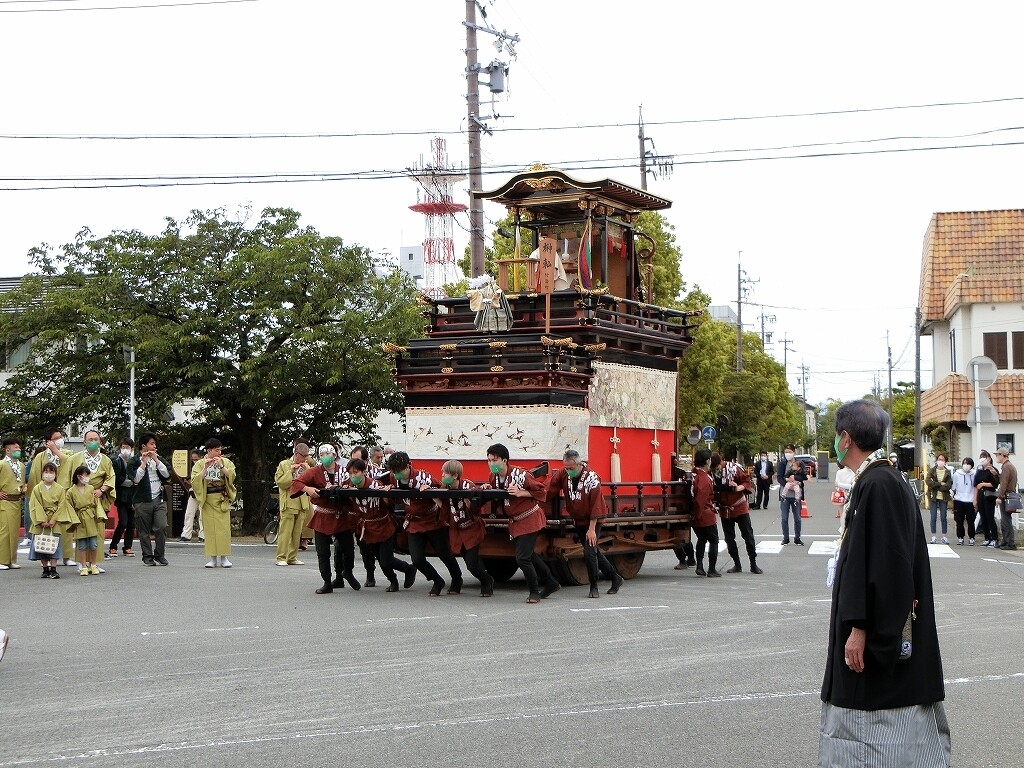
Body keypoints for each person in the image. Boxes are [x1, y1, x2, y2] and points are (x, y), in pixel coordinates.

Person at [819, 399, 949, 767]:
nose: (836, 442)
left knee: (875, 729)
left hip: (876, 637)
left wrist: (860, 627)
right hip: (873, 626)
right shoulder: (878, 479)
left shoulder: (880, 484)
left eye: (837, 436)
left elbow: (888, 566)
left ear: (846, 438)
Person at [485, 442, 560, 603]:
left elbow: (541, 490)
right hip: (515, 521)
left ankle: (534, 591)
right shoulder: (493, 477)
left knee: (522, 558)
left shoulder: (521, 474)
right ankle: (551, 582)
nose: (491, 464)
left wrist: (521, 492)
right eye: (489, 460)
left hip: (530, 517)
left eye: (494, 460)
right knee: (529, 554)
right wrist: (488, 488)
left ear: (505, 460)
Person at [378, 451, 460, 596]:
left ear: (408, 466)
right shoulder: (392, 477)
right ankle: (437, 580)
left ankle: (457, 579)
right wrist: (388, 491)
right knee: (417, 559)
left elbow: (442, 489)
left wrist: (431, 490)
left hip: (432, 520)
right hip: (413, 522)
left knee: (444, 554)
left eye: (399, 471)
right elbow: (393, 498)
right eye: (394, 471)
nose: (396, 474)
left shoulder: (423, 476)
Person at [547, 449, 624, 597]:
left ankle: (594, 586)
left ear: (578, 464)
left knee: (589, 553)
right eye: (566, 468)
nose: (568, 471)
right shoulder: (564, 473)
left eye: (570, 468)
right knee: (593, 552)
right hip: (578, 520)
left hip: (592, 521)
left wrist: (592, 529)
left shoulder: (591, 477)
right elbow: (551, 487)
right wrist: (534, 494)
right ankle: (615, 578)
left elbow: (596, 503)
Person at [294, 447, 362, 594]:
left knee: (348, 549)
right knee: (323, 552)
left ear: (334, 455)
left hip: (341, 515)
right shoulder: (314, 471)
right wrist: (308, 489)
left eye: (328, 453)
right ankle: (326, 582)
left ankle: (348, 572)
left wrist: (346, 487)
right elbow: (297, 483)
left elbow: (355, 483)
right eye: (322, 454)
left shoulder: (344, 470)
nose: (325, 456)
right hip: (322, 515)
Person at [436, 459, 494, 597]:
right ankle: (460, 580)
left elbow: (476, 509)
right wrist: (436, 499)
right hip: (456, 529)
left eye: (445, 473)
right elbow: (445, 511)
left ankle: (487, 581)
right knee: (465, 557)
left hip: (472, 529)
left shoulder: (468, 486)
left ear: (455, 475)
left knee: (471, 564)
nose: (442, 475)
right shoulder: (444, 488)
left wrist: (470, 501)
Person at [67, 430, 116, 571]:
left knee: (97, 532)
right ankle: (81, 563)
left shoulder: (105, 460)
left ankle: (94, 563)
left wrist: (102, 490)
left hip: (97, 498)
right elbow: (68, 479)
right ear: (84, 442)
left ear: (100, 442)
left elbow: (111, 477)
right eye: (90, 439)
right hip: (80, 498)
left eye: (96, 439)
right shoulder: (75, 459)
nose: (93, 442)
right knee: (81, 532)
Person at [28, 429, 76, 566]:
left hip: (62, 494)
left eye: (60, 437)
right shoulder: (40, 457)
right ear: (48, 442)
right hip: (44, 497)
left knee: (64, 528)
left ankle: (66, 556)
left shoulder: (66, 453)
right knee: (45, 530)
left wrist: (56, 451)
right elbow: (34, 477)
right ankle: (45, 558)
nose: (59, 440)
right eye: (55, 438)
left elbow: (71, 464)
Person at [712, 452, 763, 575]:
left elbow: (746, 481)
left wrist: (738, 487)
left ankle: (753, 564)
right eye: (713, 468)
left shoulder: (733, 468)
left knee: (748, 536)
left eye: (717, 466)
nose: (716, 469)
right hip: (725, 509)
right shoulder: (711, 473)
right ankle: (737, 564)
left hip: (739, 507)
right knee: (729, 538)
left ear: (721, 462)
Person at [126, 433, 170, 566]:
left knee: (161, 526)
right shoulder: (134, 461)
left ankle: (160, 555)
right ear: (143, 446)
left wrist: (156, 460)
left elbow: (167, 474)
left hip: (159, 498)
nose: (154, 446)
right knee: (144, 530)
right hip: (142, 499)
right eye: (152, 444)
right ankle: (147, 556)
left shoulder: (159, 459)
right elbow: (136, 479)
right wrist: (143, 463)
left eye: (155, 444)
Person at [191, 438, 236, 568]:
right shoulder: (200, 464)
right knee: (210, 530)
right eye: (216, 450)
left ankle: (224, 557)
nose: (219, 452)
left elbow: (231, 476)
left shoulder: (225, 462)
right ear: (209, 450)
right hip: (208, 498)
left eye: (220, 450)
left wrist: (221, 466)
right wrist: (205, 468)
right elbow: (195, 481)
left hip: (221, 497)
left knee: (223, 530)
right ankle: (212, 558)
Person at [28, 462, 70, 579]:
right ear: (42, 473)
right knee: (41, 546)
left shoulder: (60, 489)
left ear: (55, 474)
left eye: (51, 472)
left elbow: (62, 505)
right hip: (40, 520)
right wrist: (41, 520)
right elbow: (34, 505)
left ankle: (53, 569)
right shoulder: (37, 488)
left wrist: (54, 519)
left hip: (54, 521)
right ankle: (45, 569)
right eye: (46, 472)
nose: (48, 474)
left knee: (54, 545)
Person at [63, 465, 106, 576]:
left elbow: (96, 503)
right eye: (85, 475)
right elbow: (69, 507)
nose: (87, 477)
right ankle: (83, 566)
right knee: (81, 545)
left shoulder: (91, 488)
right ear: (79, 476)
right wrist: (74, 520)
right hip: (79, 518)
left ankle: (93, 564)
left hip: (90, 517)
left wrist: (99, 515)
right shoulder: (71, 491)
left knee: (93, 544)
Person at [274, 442, 312, 566]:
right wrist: (290, 471)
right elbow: (281, 483)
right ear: (296, 453)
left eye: (307, 456)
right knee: (285, 531)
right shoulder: (284, 464)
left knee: (297, 533)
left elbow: (313, 482)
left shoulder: (306, 465)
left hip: (302, 502)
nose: (305, 458)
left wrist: (308, 471)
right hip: (289, 502)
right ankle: (281, 557)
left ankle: (292, 557)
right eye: (303, 456)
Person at [689, 448, 721, 577]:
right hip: (704, 514)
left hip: (695, 513)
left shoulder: (693, 474)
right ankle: (711, 569)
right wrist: (697, 514)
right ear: (707, 461)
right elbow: (700, 500)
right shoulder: (703, 478)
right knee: (714, 540)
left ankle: (700, 566)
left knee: (701, 539)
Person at [0, 438, 27, 571]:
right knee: (5, 531)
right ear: (7, 450)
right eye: (15, 448)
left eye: (19, 447)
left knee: (14, 532)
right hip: (4, 501)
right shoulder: (1, 464)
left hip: (17, 500)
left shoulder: (21, 465)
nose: (18, 450)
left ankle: (12, 560)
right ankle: (2, 559)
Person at [108, 437, 136, 557]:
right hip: (121, 497)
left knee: (131, 524)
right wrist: (130, 481)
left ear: (132, 449)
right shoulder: (116, 461)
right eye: (123, 447)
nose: (125, 449)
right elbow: (117, 479)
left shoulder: (135, 461)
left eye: (127, 447)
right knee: (123, 522)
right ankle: (113, 546)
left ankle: (128, 546)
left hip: (133, 497)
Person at [973, 450, 1000, 548]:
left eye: (984, 457)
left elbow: (995, 484)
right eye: (981, 457)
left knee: (990, 517)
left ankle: (994, 538)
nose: (982, 459)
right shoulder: (979, 470)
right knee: (983, 517)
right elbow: (976, 485)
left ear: (989, 459)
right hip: (980, 495)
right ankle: (987, 538)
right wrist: (975, 499)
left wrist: (983, 484)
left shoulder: (993, 470)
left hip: (989, 496)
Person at [994, 447, 1018, 550]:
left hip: (1006, 496)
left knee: (1006, 520)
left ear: (1002, 455)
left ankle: (1010, 543)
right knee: (1005, 519)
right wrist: (996, 475)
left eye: (997, 455)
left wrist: (1000, 496)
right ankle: (1005, 541)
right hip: (1009, 495)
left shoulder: (1006, 467)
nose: (996, 457)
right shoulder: (1009, 466)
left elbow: (1004, 483)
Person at [178, 450, 205, 542]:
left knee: (202, 515)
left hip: (202, 492)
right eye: (193, 459)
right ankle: (186, 534)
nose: (194, 461)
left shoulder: (205, 466)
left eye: (196, 459)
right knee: (189, 514)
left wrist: (191, 482)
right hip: (193, 492)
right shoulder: (190, 467)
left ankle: (203, 535)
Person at [925, 455, 952, 544]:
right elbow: (928, 481)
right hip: (933, 496)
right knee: (933, 517)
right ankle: (933, 537)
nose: (940, 461)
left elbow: (948, 485)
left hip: (943, 497)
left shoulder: (948, 472)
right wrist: (940, 484)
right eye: (939, 459)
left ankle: (944, 537)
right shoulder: (932, 470)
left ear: (945, 461)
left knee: (943, 517)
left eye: (942, 459)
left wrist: (936, 485)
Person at [951, 457, 977, 545]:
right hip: (959, 499)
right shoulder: (957, 474)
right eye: (965, 463)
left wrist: (975, 499)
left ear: (972, 465)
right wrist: (953, 497)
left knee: (970, 520)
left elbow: (975, 486)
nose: (966, 465)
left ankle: (971, 537)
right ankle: (960, 537)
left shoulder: (974, 474)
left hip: (970, 500)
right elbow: (953, 487)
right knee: (959, 520)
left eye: (968, 464)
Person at [780, 457, 805, 545]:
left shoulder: (799, 463)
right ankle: (785, 538)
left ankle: (797, 538)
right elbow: (780, 477)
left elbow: (804, 476)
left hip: (796, 496)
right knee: (784, 518)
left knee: (797, 518)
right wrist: (788, 483)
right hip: (786, 495)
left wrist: (795, 478)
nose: (788, 454)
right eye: (786, 451)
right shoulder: (783, 464)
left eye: (789, 451)